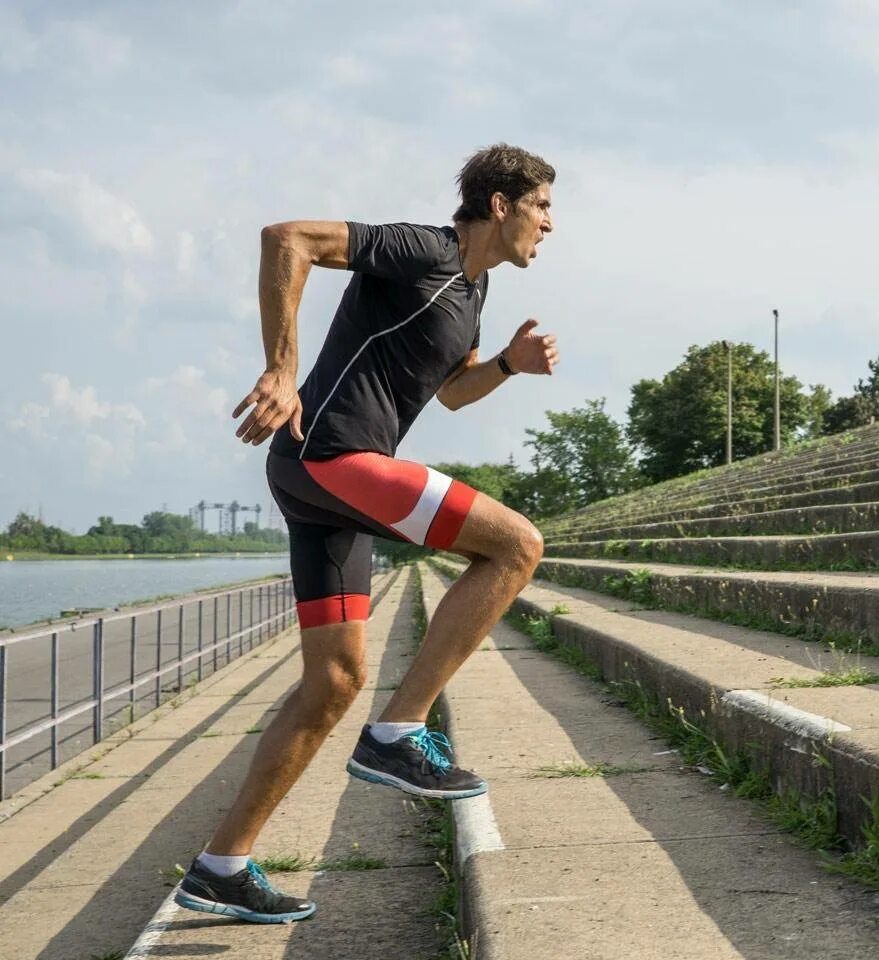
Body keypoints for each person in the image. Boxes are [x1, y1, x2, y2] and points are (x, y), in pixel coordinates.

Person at [175, 144, 558, 924]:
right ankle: (399, 732)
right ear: (498, 203)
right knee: (517, 546)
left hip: (320, 477)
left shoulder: (473, 291)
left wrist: (509, 368)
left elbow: (452, 392)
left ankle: (222, 864)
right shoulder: (424, 248)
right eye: (542, 206)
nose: (549, 224)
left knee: (335, 682)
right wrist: (282, 369)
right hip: (330, 454)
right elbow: (288, 239)